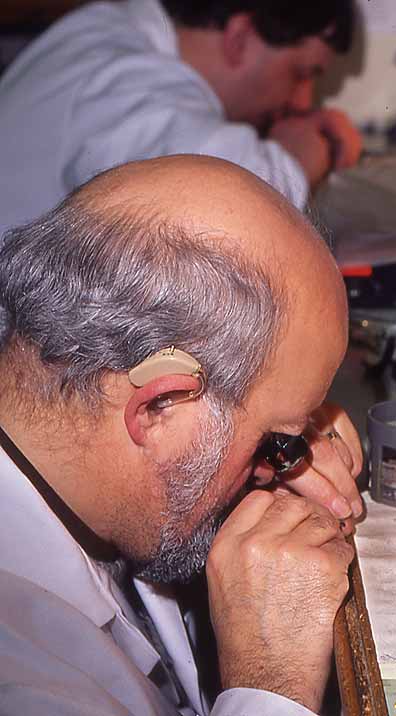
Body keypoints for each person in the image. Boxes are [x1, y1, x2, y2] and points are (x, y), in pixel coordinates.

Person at [0, 155, 365, 715]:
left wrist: (264, 438)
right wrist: (271, 684)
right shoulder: (24, 681)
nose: (281, 465)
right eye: (275, 441)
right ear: (160, 406)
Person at [0, 0, 363, 235]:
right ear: (238, 37)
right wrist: (297, 157)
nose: (302, 102)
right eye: (301, 74)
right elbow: (208, 212)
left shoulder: (110, 30)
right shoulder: (120, 74)